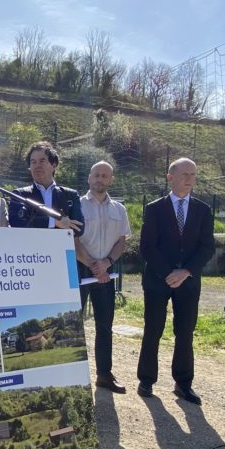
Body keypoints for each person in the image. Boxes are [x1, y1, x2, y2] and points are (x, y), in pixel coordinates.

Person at [136, 157, 215, 404]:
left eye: (193, 175)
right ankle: (146, 380)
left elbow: (207, 247)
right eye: (184, 174)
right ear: (170, 177)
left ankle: (183, 384)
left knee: (185, 333)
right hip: (158, 280)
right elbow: (147, 247)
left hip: (188, 282)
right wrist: (168, 273)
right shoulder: (154, 208)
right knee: (153, 329)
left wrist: (186, 272)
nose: (189, 179)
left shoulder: (203, 210)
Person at [75, 160, 130, 394]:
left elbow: (123, 240)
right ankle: (74, 378)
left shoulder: (119, 209)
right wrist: (91, 264)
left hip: (106, 272)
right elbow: (71, 238)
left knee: (105, 325)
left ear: (111, 180)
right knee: (73, 324)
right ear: (89, 178)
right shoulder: (76, 205)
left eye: (105, 176)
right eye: (96, 175)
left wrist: (106, 264)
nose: (100, 179)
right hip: (79, 269)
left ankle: (104, 375)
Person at [8, 141, 85, 236]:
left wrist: (37, 221)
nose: (37, 166)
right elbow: (17, 223)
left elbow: (79, 229)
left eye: (42, 161)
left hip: (60, 249)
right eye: (33, 162)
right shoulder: (20, 195)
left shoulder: (70, 195)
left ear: (54, 165)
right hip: (32, 249)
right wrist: (54, 221)